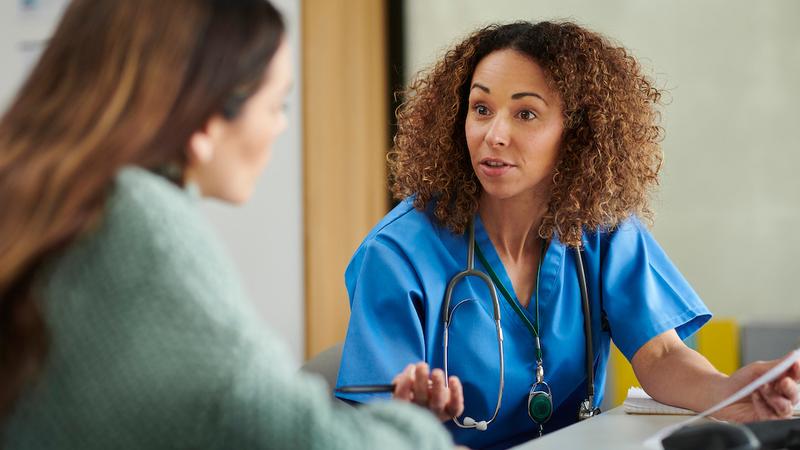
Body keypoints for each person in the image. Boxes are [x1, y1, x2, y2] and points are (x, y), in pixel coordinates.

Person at [0, 1, 461, 448]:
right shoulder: (137, 224)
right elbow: (281, 431)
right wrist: (416, 433)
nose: (279, 127)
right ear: (206, 117)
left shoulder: (40, 197)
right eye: (276, 105)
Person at [335, 21, 800, 450]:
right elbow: (376, 421)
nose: (494, 134)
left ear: (577, 134)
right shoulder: (397, 253)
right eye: (481, 109)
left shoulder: (600, 229)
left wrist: (727, 391)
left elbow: (659, 353)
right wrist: (408, 412)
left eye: (525, 114)